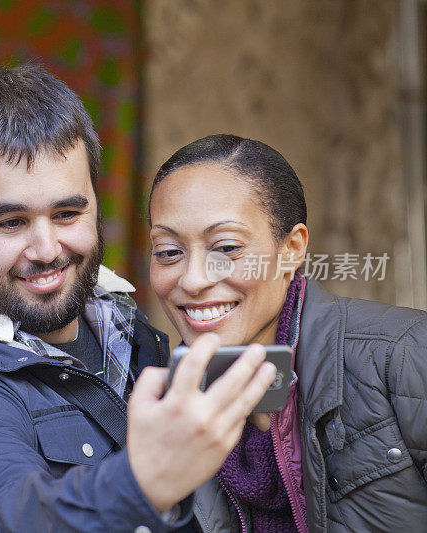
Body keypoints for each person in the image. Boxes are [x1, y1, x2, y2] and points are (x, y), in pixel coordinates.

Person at [0, 64, 277, 532]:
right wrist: (143, 481)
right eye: (10, 222)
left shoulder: (128, 328)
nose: (47, 250)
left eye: (67, 213)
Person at [147, 133, 427, 532]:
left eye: (226, 248)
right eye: (169, 252)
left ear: (292, 249)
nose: (193, 280)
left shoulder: (404, 355)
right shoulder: (169, 404)